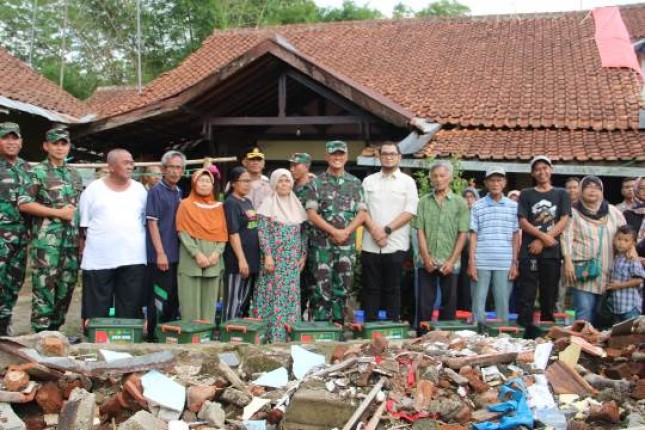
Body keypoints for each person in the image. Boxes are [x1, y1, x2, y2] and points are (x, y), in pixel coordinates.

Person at [18, 128, 81, 332]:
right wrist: (57, 213)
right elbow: (24, 203)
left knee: (66, 288)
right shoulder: (37, 172)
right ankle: (41, 333)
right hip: (47, 243)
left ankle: (56, 332)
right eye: (55, 143)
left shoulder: (74, 175)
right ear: (46, 146)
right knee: (45, 287)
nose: (60, 147)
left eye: (64, 143)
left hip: (70, 242)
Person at [79, 149, 148, 324]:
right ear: (110, 167)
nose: (131, 166)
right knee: (97, 310)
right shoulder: (93, 190)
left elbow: (146, 221)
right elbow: (83, 226)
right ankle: (96, 341)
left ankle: (128, 341)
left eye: (131, 162)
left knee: (130, 308)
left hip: (133, 257)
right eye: (126, 162)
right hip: (99, 259)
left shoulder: (140, 190)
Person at [306, 140, 367, 324]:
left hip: (346, 245)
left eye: (340, 154)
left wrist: (346, 231)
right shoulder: (316, 183)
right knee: (320, 288)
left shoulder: (355, 183)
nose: (337, 157)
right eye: (333, 154)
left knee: (343, 287)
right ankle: (319, 327)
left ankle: (339, 326)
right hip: (321, 245)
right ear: (326, 156)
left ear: (346, 156)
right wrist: (334, 231)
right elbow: (311, 213)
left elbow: (362, 213)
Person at [361, 143, 418, 322]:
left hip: (396, 245)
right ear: (379, 156)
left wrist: (385, 231)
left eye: (392, 154)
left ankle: (393, 327)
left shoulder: (408, 182)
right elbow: (362, 209)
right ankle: (370, 328)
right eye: (384, 153)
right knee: (371, 288)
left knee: (393, 288)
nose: (388, 157)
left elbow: (410, 211)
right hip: (370, 244)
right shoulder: (369, 181)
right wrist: (375, 231)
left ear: (399, 157)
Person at [516, 156, 571, 328]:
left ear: (551, 170)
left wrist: (546, 239)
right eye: (538, 169)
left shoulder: (561, 193)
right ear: (533, 173)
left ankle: (547, 332)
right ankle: (524, 331)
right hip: (529, 251)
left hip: (551, 253)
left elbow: (564, 220)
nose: (542, 172)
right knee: (527, 294)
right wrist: (543, 237)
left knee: (549, 294)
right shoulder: (526, 194)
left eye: (545, 168)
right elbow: (522, 221)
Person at [562, 176, 625, 324]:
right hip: (583, 273)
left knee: (603, 316)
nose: (592, 190)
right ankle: (581, 347)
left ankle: (598, 347)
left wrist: (631, 253)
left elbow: (626, 236)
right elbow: (566, 237)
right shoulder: (573, 212)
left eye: (597, 187)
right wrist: (568, 262)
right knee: (584, 314)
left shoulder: (613, 212)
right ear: (580, 191)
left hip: (609, 272)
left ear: (602, 191)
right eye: (588, 187)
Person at [412, 161, 469, 323]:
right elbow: (420, 231)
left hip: (450, 262)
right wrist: (426, 258)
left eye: (442, 176)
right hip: (426, 261)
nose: (438, 179)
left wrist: (451, 261)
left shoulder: (460, 203)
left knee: (449, 305)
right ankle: (421, 338)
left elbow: (463, 234)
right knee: (424, 305)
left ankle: (445, 338)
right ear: (430, 178)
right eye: (434, 176)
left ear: (449, 177)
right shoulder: (423, 202)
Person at [255, 169, 308, 342]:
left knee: (290, 297)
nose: (284, 184)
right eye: (280, 181)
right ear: (274, 183)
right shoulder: (267, 203)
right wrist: (268, 256)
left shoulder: (296, 203)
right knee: (274, 297)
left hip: (292, 261)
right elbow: (262, 232)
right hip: (274, 261)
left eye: (287, 180)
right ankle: (272, 337)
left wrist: (303, 255)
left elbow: (303, 233)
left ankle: (289, 336)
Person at [468, 167, 519, 323]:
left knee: (502, 305)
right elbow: (473, 235)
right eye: (492, 180)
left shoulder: (513, 206)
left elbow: (515, 236)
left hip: (504, 262)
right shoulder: (477, 206)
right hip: (481, 260)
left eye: (499, 180)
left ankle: (500, 339)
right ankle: (477, 337)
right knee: (478, 305)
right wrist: (471, 262)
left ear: (504, 183)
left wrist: (514, 263)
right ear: (486, 183)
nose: (495, 183)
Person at [176, 169, 228, 321]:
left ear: (212, 186)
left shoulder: (219, 207)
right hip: (191, 260)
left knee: (210, 303)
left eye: (208, 181)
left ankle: (206, 337)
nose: (204, 184)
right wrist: (196, 254)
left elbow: (223, 234)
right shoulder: (185, 205)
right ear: (194, 183)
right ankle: (191, 338)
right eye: (201, 180)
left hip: (213, 260)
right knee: (189, 302)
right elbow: (182, 232)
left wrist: (216, 254)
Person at [144, 151, 184, 340]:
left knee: (173, 298)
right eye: (171, 167)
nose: (175, 172)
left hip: (177, 254)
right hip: (160, 255)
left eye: (178, 168)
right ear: (163, 169)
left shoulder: (178, 192)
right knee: (159, 297)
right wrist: (160, 253)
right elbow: (152, 223)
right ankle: (154, 336)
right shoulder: (155, 192)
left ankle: (169, 335)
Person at [0, 122, 33, 335]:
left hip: (21, 236)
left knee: (14, 280)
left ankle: (4, 322)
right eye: (6, 138)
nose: (11, 142)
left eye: (15, 138)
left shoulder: (28, 168)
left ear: (21, 142)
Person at [223, 167, 261, 320]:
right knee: (233, 302)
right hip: (237, 260)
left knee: (244, 302)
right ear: (233, 183)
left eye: (249, 181)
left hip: (252, 259)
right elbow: (233, 233)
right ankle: (226, 334)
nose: (247, 184)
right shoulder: (231, 203)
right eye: (244, 181)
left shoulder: (248, 201)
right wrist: (242, 259)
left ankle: (239, 335)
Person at [290, 152, 315, 318]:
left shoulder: (316, 186)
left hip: (315, 243)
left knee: (314, 285)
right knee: (296, 287)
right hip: (293, 244)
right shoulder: (289, 187)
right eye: (290, 165)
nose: (292, 169)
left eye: (295, 165)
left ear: (306, 167)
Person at [606, 225, 645, 323]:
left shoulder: (632, 259)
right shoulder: (616, 258)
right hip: (616, 306)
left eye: (626, 240)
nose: (621, 243)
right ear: (614, 239)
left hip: (630, 307)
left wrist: (617, 286)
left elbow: (638, 279)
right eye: (619, 239)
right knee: (617, 335)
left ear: (633, 243)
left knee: (631, 335)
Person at [457, 186, 480, 312]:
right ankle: (463, 312)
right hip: (461, 254)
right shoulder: (459, 212)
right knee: (463, 286)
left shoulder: (480, 212)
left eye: (471, 197)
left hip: (478, 254)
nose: (469, 199)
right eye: (466, 197)